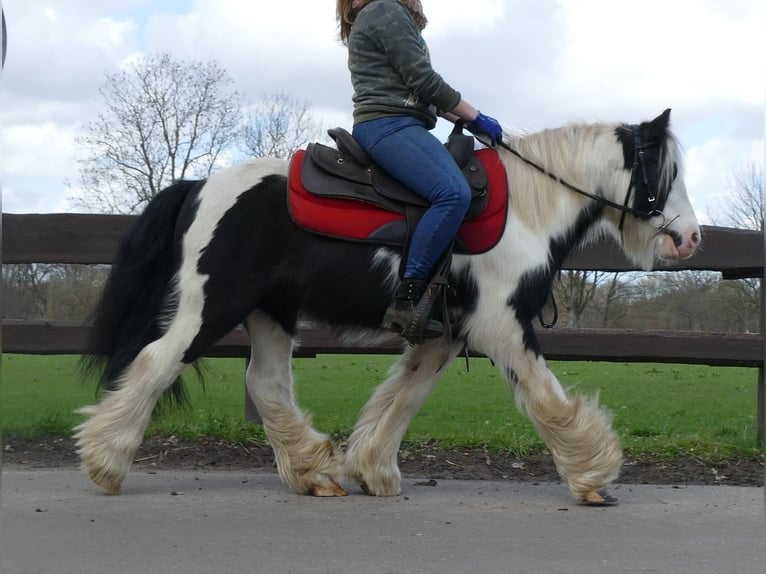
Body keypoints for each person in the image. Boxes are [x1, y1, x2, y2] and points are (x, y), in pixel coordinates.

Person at [336, 0, 504, 343]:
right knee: (452, 192)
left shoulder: (383, 12)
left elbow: (418, 93)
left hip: (403, 123)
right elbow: (423, 79)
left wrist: (468, 122)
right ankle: (407, 299)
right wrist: (474, 115)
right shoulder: (384, 8)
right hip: (389, 126)